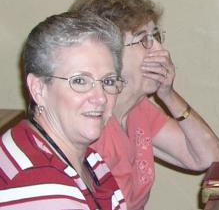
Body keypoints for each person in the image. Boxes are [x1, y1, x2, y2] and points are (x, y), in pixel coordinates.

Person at [70, 0, 219, 210]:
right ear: (107, 52)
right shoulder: (90, 127)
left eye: (156, 36)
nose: (160, 49)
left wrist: (168, 94)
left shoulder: (138, 109)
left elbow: (209, 158)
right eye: (143, 40)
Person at [0, 12, 127, 209]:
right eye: (80, 81)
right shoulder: (38, 183)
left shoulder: (90, 162)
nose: (101, 97)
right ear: (38, 88)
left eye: (108, 81)